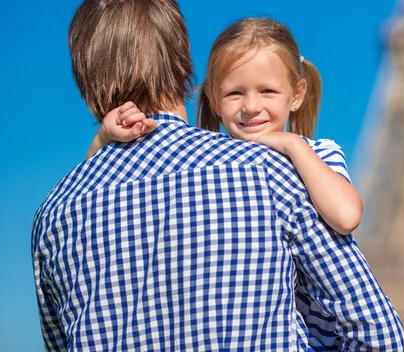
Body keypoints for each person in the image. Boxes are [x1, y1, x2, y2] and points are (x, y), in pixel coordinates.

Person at [32, 0, 404, 351]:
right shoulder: (269, 173)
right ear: (186, 58)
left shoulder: (54, 216)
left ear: (83, 78)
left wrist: (100, 141)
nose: (251, 106)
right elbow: (378, 335)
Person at [90, 17, 362, 236]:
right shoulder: (205, 164)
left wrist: (293, 144)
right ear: (214, 100)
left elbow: (347, 217)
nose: (251, 106)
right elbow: (96, 187)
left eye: (267, 91)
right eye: (235, 94)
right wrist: (103, 137)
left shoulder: (319, 153)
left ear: (297, 94)